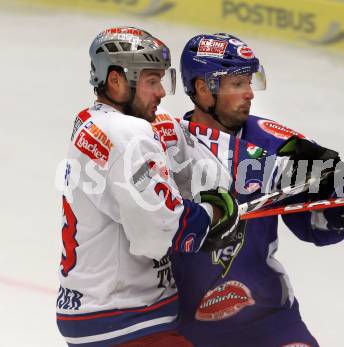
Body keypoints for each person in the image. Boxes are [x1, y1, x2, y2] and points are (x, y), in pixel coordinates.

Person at [171, 33, 344, 347]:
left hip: (270, 319)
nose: (249, 93)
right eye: (237, 84)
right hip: (183, 331)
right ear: (202, 88)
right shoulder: (165, 147)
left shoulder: (277, 141)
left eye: (249, 82)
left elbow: (313, 223)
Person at [56, 27, 243, 347]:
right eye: (151, 81)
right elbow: (162, 232)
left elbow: (210, 175)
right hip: (126, 317)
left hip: (99, 310)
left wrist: (207, 192)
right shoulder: (128, 134)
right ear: (115, 81)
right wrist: (214, 213)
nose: (161, 92)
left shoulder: (91, 121)